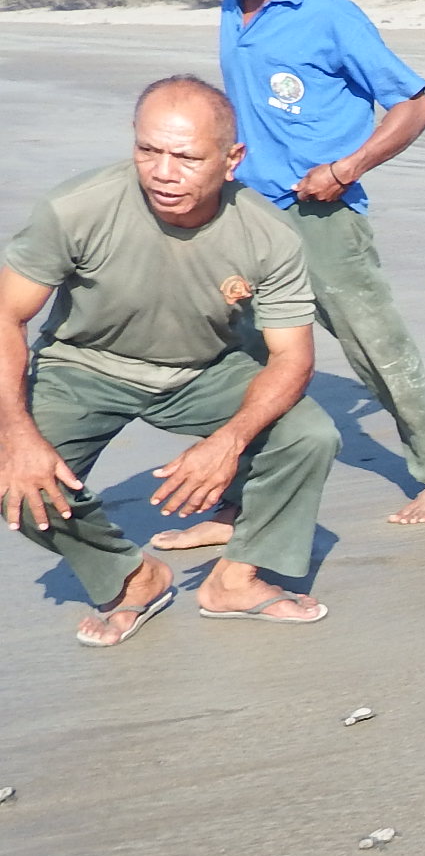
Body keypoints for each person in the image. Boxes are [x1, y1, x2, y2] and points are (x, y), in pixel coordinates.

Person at [154, 0, 425, 550]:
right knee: (235, 361)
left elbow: (415, 105)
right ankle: (235, 501)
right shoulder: (233, 8)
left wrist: (346, 167)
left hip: (323, 219)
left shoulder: (331, 17)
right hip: (243, 218)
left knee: (377, 348)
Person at [0, 77, 338, 645]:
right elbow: (8, 316)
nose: (162, 172)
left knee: (309, 436)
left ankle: (235, 578)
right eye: (147, 150)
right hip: (85, 365)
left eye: (185, 156)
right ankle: (132, 578)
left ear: (232, 159)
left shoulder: (269, 235)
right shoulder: (75, 209)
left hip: (207, 369)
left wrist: (227, 443)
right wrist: (17, 434)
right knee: (12, 478)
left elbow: (292, 358)